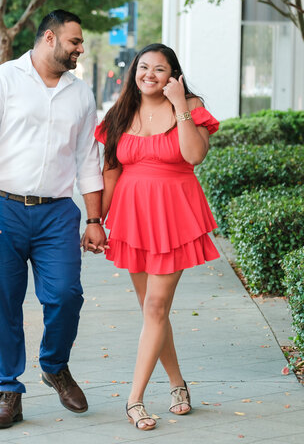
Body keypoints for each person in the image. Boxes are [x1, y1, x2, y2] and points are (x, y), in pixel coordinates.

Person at [0, 9, 107, 429]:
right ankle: (8, 389)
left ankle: (54, 366)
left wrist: (94, 219)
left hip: (57, 212)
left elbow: (87, 159)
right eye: (75, 41)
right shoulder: (2, 80)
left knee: (66, 295)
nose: (80, 48)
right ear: (49, 38)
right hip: (3, 208)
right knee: (3, 304)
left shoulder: (80, 94)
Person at [94, 43, 220, 431]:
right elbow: (111, 171)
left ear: (173, 75)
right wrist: (95, 220)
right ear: (134, 71)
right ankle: (178, 384)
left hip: (174, 216)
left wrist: (180, 102)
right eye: (143, 67)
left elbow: (194, 154)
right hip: (132, 218)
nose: (149, 74)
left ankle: (134, 400)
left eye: (159, 69)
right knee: (153, 309)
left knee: (155, 307)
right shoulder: (121, 112)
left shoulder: (189, 104)